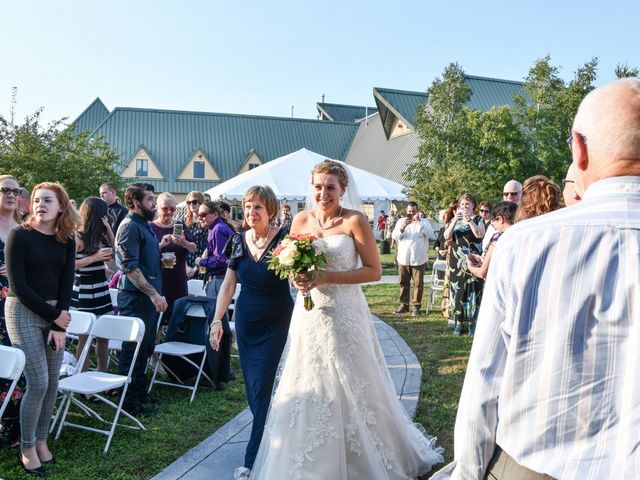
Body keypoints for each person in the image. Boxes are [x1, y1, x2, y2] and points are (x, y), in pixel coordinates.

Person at [433, 78, 640, 480]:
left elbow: (484, 381)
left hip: (536, 466)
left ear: (579, 149)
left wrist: (468, 473)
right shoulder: (522, 241)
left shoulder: (524, 244)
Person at [249, 160, 443, 480]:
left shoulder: (355, 221)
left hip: (345, 312)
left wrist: (327, 276)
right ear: (311, 188)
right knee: (308, 375)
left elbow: (374, 271)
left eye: (330, 187)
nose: (323, 193)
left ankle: (363, 458)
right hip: (310, 314)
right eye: (318, 187)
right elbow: (293, 262)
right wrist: (298, 279)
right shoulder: (300, 219)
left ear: (342, 190)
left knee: (352, 379)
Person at [209, 186, 293, 480]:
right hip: (246, 322)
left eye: (258, 207)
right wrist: (218, 321)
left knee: (263, 386)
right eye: (247, 207)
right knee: (253, 388)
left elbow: (298, 280)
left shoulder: (286, 241)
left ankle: (252, 460)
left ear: (270, 210)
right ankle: (275, 440)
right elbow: (228, 285)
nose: (251, 212)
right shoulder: (237, 240)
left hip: (277, 319)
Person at [5, 182, 78, 476]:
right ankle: (26, 446)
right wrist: (56, 317)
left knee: (53, 383)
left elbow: (66, 282)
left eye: (47, 200)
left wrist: (59, 323)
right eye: (36, 200)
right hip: (23, 311)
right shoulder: (19, 236)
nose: (40, 205)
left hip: (53, 314)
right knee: (38, 382)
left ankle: (42, 439)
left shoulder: (67, 239)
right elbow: (18, 286)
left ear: (61, 206)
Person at [115, 183, 168, 417]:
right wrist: (154, 293)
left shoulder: (143, 225)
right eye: (149, 200)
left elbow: (144, 257)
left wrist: (160, 248)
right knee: (133, 350)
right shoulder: (128, 227)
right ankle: (128, 402)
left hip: (146, 297)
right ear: (135, 202)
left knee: (146, 347)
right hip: (135, 297)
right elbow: (130, 269)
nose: (154, 204)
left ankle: (140, 393)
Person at [71, 197, 115, 374]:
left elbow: (114, 257)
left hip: (101, 288)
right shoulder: (78, 236)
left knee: (104, 337)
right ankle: (83, 376)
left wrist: (110, 231)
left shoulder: (100, 236)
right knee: (85, 337)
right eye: (104, 213)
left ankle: (102, 373)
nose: (107, 216)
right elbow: (68, 265)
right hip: (84, 290)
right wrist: (95, 258)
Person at [0, 175, 25, 449]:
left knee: (19, 362)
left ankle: (16, 427)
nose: (10, 194)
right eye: (4, 189)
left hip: (20, 305)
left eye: (14, 191)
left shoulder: (24, 228)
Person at [150, 192, 196, 325]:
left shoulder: (180, 226)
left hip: (178, 280)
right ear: (157, 208)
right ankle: (156, 345)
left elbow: (193, 248)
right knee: (157, 320)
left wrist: (183, 242)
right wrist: (160, 246)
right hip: (159, 280)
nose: (169, 212)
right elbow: (145, 254)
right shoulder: (150, 227)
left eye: (173, 208)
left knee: (178, 319)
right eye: (165, 208)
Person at [443, 193, 485, 336]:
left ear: (473, 205)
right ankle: (458, 322)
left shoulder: (479, 219)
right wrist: (455, 220)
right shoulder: (455, 220)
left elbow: (480, 235)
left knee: (474, 289)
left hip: (473, 259)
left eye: (467, 204)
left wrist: (470, 221)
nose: (464, 207)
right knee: (459, 289)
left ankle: (473, 323)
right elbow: (446, 236)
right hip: (457, 260)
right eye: (462, 204)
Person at [391, 202, 434, 316]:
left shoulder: (424, 222)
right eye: (409, 211)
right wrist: (402, 227)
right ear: (406, 211)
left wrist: (419, 222)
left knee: (418, 284)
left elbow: (430, 234)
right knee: (403, 282)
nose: (411, 214)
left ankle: (416, 307)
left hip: (418, 258)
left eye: (413, 211)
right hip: (404, 258)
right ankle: (404, 305)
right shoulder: (401, 221)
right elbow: (394, 236)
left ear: (417, 211)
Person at [465, 201, 517, 280]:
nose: (493, 226)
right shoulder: (521, 236)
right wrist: (483, 259)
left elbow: (482, 273)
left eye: (493, 221)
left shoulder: (498, 238)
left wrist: (470, 265)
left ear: (500, 219)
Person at [196, 201, 234, 300]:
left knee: (216, 314)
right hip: (221, 279)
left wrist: (201, 261)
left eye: (203, 214)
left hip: (219, 279)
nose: (200, 217)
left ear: (216, 214)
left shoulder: (218, 229)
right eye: (198, 215)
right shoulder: (218, 227)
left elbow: (221, 260)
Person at [182, 191, 208, 280]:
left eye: (194, 202)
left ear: (201, 202)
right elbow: (178, 244)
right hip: (185, 262)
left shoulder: (206, 221)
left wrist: (195, 268)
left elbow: (209, 246)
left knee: (200, 290)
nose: (191, 204)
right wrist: (186, 266)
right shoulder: (183, 221)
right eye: (189, 202)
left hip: (202, 261)